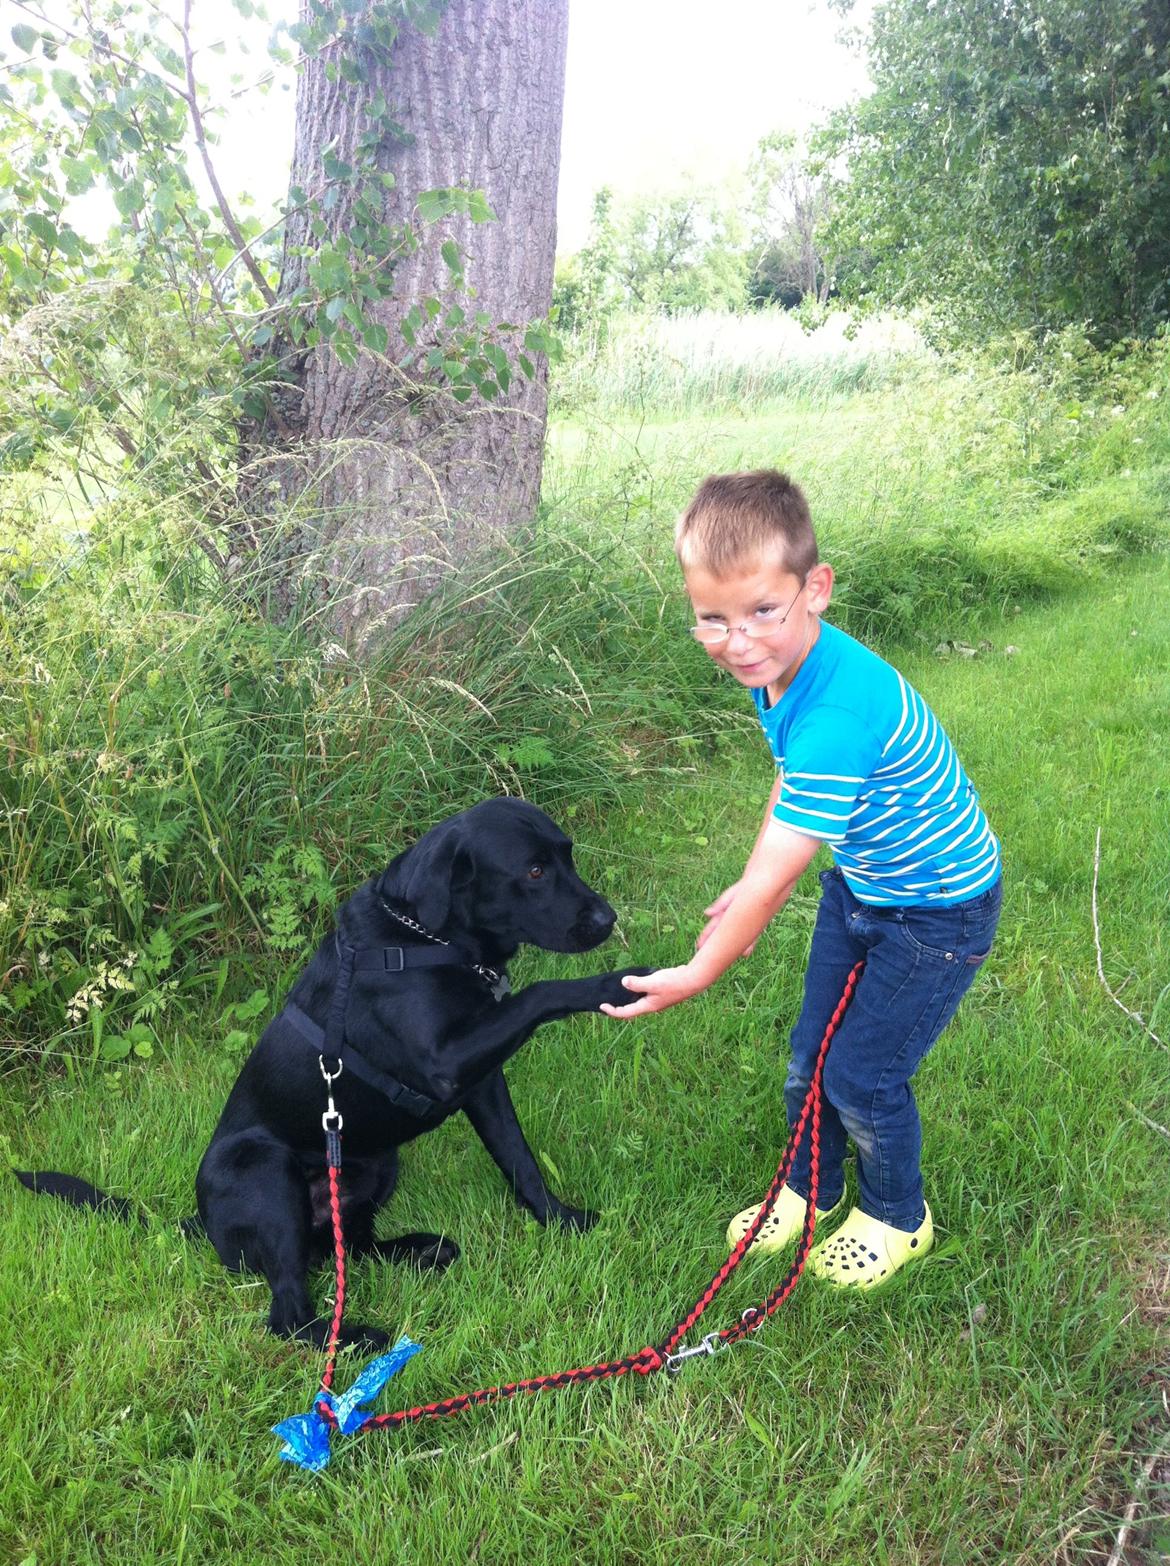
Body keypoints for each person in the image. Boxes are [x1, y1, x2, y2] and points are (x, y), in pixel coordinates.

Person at [601, 470, 1002, 1288]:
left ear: (814, 588)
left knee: (862, 1074)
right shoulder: (779, 670)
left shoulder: (836, 712)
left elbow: (785, 873)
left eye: (760, 612)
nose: (738, 640)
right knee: (808, 1053)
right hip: (864, 889)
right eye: (712, 619)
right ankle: (809, 1187)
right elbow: (790, 797)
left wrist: (702, 967)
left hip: (938, 913)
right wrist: (746, 881)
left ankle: (898, 1216)